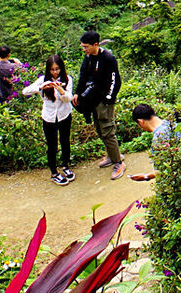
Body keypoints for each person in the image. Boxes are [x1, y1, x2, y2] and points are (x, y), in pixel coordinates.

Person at [73, 31, 124, 179]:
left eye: (86, 47)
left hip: (104, 100)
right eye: (82, 47)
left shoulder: (108, 58)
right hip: (92, 99)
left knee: (107, 130)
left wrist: (109, 99)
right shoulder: (88, 57)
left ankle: (119, 162)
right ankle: (112, 155)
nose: (84, 50)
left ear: (96, 45)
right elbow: (83, 75)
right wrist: (77, 92)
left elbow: (116, 81)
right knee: (99, 129)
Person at [23, 54, 74, 186]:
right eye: (52, 70)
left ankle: (66, 165)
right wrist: (41, 87)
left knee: (65, 141)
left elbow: (69, 98)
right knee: (52, 145)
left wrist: (61, 90)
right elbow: (25, 91)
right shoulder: (43, 80)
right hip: (49, 117)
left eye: (57, 69)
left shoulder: (67, 79)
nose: (55, 72)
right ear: (48, 70)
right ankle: (54, 172)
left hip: (64, 115)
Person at [128, 103, 175, 181]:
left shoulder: (158, 138)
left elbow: (164, 170)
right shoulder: (171, 123)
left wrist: (146, 176)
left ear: (140, 122)